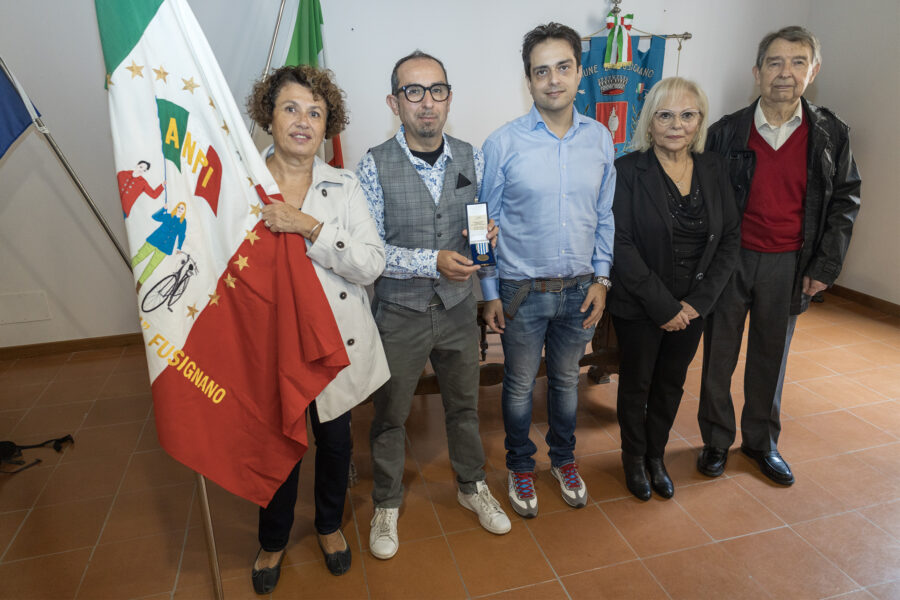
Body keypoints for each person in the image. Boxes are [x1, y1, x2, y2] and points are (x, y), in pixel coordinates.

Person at [358, 50, 510, 560]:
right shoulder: (373, 165)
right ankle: (386, 503)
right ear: (394, 102)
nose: (427, 103)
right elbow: (371, 253)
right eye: (414, 92)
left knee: (464, 406)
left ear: (449, 98)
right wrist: (433, 261)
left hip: (458, 309)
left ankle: (472, 486)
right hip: (398, 313)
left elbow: (476, 225)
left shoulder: (472, 156)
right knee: (390, 413)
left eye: (437, 90)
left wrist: (485, 243)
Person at [245, 64, 389, 593]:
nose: (303, 122)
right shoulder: (243, 186)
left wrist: (309, 226)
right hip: (268, 344)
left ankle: (329, 526)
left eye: (315, 112)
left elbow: (370, 264)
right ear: (269, 116)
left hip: (331, 342)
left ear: (328, 125)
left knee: (334, 443)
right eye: (291, 108)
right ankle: (273, 539)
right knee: (277, 446)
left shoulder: (344, 187)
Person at [698, 26, 861, 485]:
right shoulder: (726, 131)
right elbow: (704, 201)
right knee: (719, 356)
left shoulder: (831, 134)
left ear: (813, 71)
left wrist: (825, 265)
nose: (784, 73)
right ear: (757, 72)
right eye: (774, 63)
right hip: (730, 261)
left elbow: (845, 200)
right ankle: (715, 440)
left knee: (771, 356)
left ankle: (760, 443)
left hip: (789, 263)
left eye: (797, 62)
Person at [480, 23, 615, 518]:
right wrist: (489, 292)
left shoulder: (600, 139)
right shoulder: (503, 144)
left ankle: (563, 460)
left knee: (564, 382)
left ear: (579, 73)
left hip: (580, 290)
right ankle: (520, 464)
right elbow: (482, 224)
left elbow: (605, 215)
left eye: (563, 68)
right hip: (522, 291)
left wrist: (602, 278)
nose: (553, 80)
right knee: (518, 385)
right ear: (529, 80)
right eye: (541, 71)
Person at [609, 77, 740, 501]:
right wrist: (664, 306)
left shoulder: (714, 168)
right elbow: (620, 244)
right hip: (641, 302)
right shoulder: (628, 171)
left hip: (692, 306)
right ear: (649, 122)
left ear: (699, 122)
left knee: (670, 383)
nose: (676, 125)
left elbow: (730, 238)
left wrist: (697, 304)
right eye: (665, 115)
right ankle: (633, 458)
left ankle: (655, 456)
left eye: (687, 115)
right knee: (637, 384)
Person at [131, 201, 186, 294]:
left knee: (152, 266)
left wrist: (179, 247)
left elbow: (182, 235)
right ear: (176, 208)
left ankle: (139, 284)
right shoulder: (168, 216)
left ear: (184, 211)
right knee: (140, 256)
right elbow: (155, 217)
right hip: (154, 240)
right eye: (179, 207)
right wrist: (163, 209)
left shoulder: (183, 222)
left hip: (166, 247)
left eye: (182, 208)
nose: (180, 210)